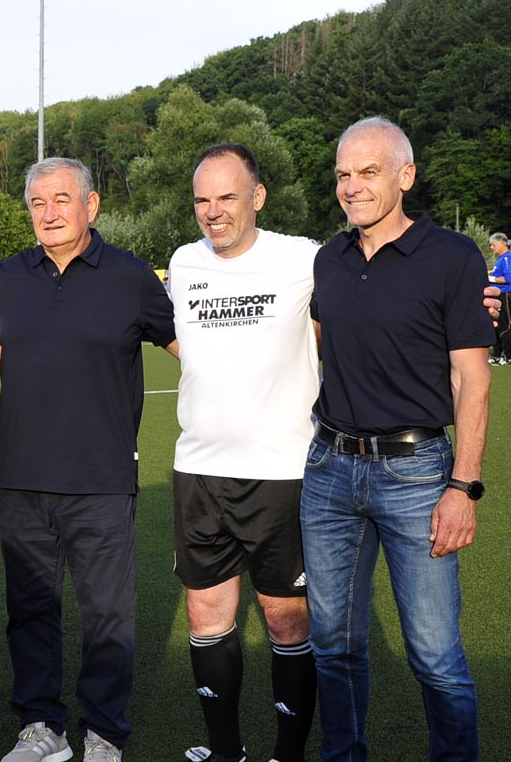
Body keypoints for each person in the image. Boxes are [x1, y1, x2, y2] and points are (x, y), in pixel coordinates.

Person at [301, 116, 491, 761]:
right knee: (333, 644)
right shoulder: (327, 258)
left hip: (416, 472)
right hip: (329, 470)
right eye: (343, 175)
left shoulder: (453, 257)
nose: (352, 187)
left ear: (405, 176)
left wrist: (463, 486)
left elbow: (471, 379)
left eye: (369, 172)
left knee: (435, 653)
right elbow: (316, 345)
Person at [0, 157, 177, 762]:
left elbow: (189, 349)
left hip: (102, 477)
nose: (49, 213)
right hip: (21, 478)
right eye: (38, 203)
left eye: (62, 200)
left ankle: (104, 732)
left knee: (107, 615)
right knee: (30, 611)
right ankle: (42, 727)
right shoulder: (6, 278)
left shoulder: (131, 276)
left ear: (91, 206)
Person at [167, 145, 318, 762]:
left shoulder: (303, 258)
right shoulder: (183, 261)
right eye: (203, 200)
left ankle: (288, 753)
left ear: (256, 197)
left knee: (285, 619)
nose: (213, 211)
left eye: (227, 197)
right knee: (206, 614)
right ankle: (225, 750)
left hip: (282, 471)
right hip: (198, 469)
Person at [486, 232, 511, 364]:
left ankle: (507, 355)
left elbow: (508, 278)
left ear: (503, 242)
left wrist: (490, 278)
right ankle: (497, 354)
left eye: (493, 244)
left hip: (505, 295)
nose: (491, 247)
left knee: (505, 325)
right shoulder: (501, 258)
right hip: (497, 295)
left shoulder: (508, 258)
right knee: (496, 325)